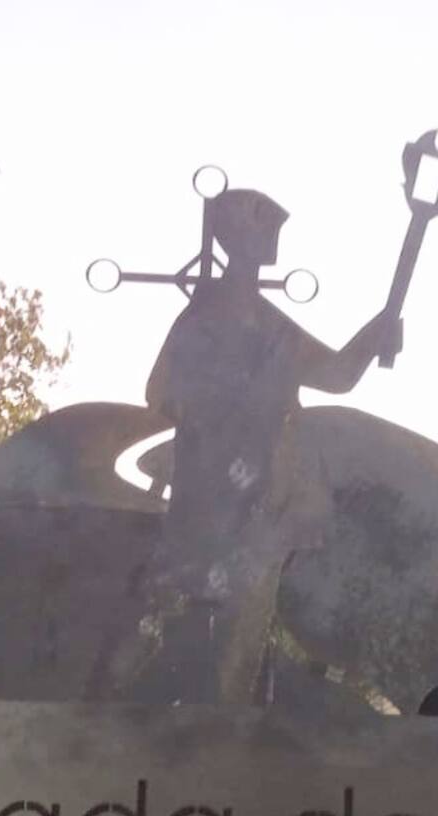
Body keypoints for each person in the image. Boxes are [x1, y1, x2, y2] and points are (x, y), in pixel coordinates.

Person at [132, 188, 401, 702]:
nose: (272, 237)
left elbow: (337, 375)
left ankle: (229, 719)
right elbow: (160, 391)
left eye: (273, 230)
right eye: (262, 228)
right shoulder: (203, 318)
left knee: (244, 639)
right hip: (210, 501)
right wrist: (228, 411)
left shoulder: (274, 326)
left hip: (265, 505)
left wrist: (377, 329)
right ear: (237, 238)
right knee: (200, 634)